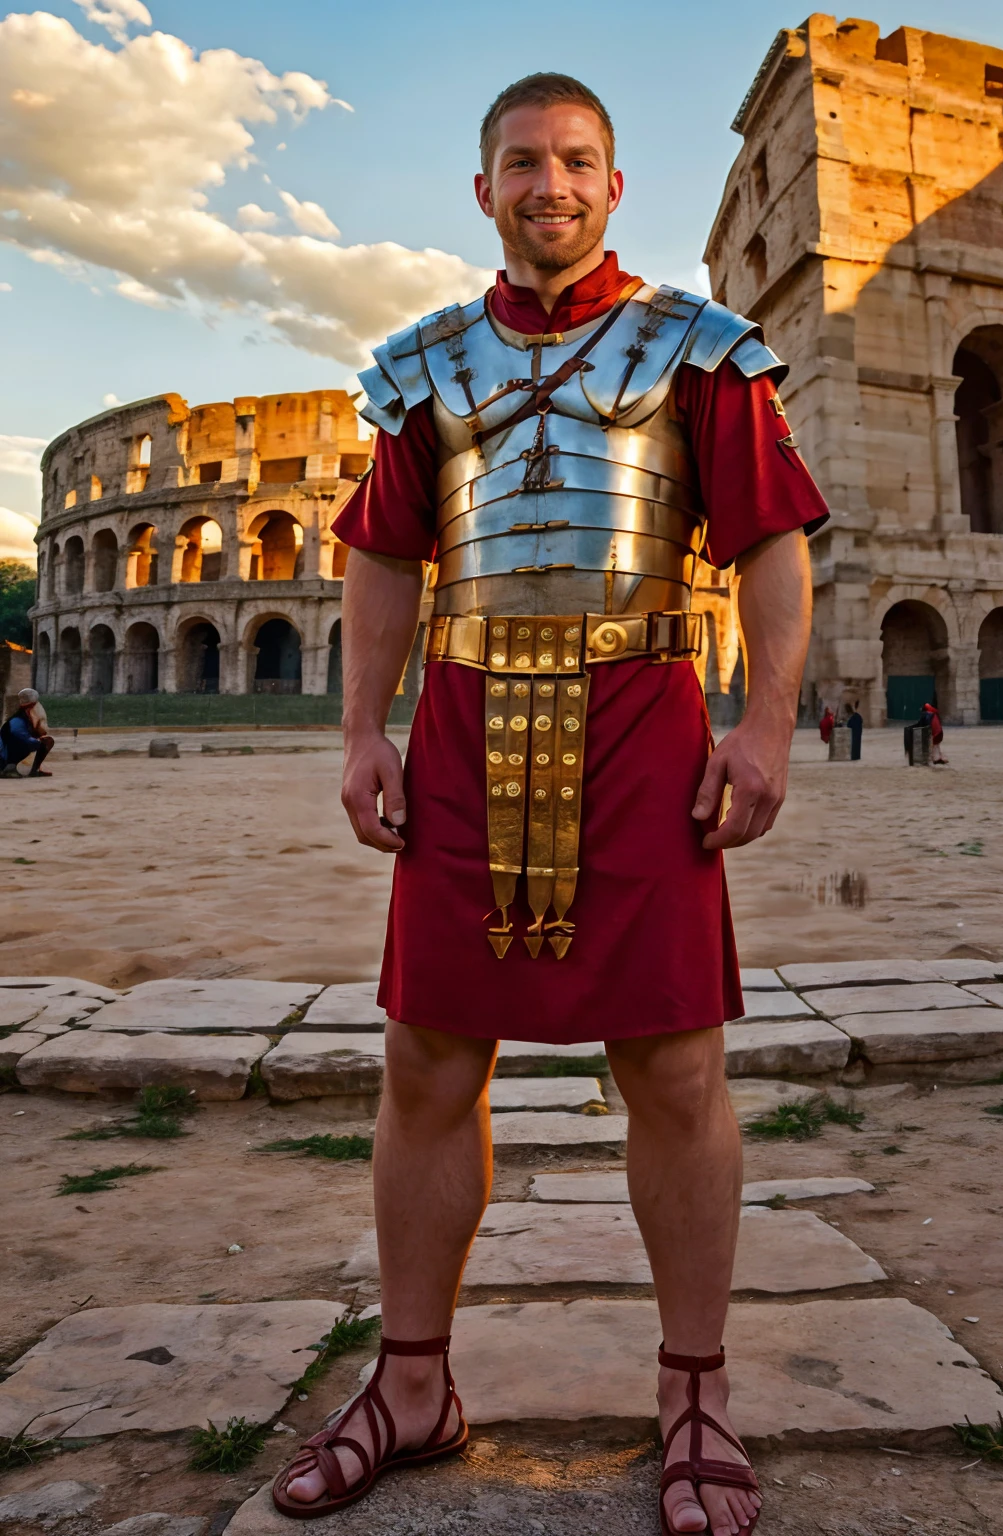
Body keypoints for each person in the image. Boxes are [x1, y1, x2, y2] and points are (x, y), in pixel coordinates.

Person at [274, 74, 827, 1532]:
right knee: (428, 1062)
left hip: (643, 721)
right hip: (459, 727)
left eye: (577, 161)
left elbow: (771, 539)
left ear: (613, 183)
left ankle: (694, 1387)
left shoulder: (699, 352)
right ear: (485, 190)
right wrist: (362, 734)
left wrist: (763, 725)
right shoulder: (424, 366)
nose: (551, 186)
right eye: (523, 163)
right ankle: (411, 1383)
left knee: (677, 1070)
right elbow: (386, 559)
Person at [0, 688, 54, 778]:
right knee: (21, 741)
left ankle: (33, 769)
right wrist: (35, 741)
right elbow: (17, 733)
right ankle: (8, 768)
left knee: (46, 741)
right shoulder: (18, 720)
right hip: (3, 755)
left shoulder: (28, 722)